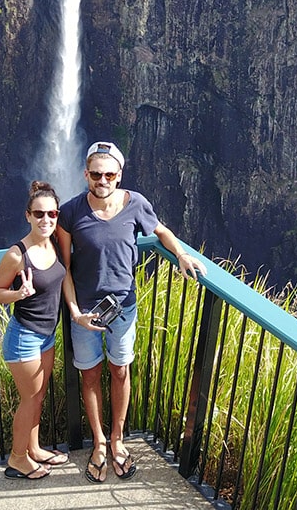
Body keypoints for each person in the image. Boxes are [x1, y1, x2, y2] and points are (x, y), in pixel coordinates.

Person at [57, 141, 206, 484]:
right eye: (96, 174)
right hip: (86, 312)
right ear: (86, 174)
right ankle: (97, 443)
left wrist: (182, 255)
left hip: (123, 307)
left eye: (109, 174)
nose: (102, 179)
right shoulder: (70, 212)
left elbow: (162, 231)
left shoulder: (135, 203)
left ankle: (117, 440)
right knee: (90, 376)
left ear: (119, 175)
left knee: (120, 371)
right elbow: (65, 266)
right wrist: (75, 311)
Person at [0, 180, 70, 481]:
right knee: (30, 399)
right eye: (39, 214)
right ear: (27, 215)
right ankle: (18, 459)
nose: (46, 220)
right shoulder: (16, 255)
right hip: (24, 337)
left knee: (38, 395)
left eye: (52, 214)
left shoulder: (54, 241)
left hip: (47, 334)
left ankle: (34, 448)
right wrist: (19, 294)